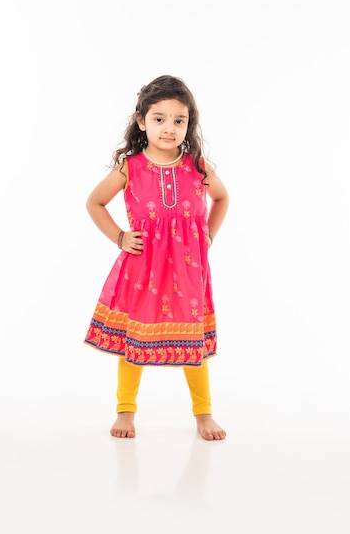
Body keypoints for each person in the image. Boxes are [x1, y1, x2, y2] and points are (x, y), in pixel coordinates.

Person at [84, 74, 229, 441]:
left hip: (188, 269)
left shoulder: (197, 166)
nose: (169, 128)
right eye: (159, 119)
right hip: (142, 268)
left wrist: (208, 234)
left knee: (192, 340)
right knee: (135, 340)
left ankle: (204, 413)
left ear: (189, 125)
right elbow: (95, 202)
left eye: (179, 121)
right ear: (141, 121)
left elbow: (222, 198)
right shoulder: (129, 167)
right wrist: (119, 236)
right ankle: (125, 411)